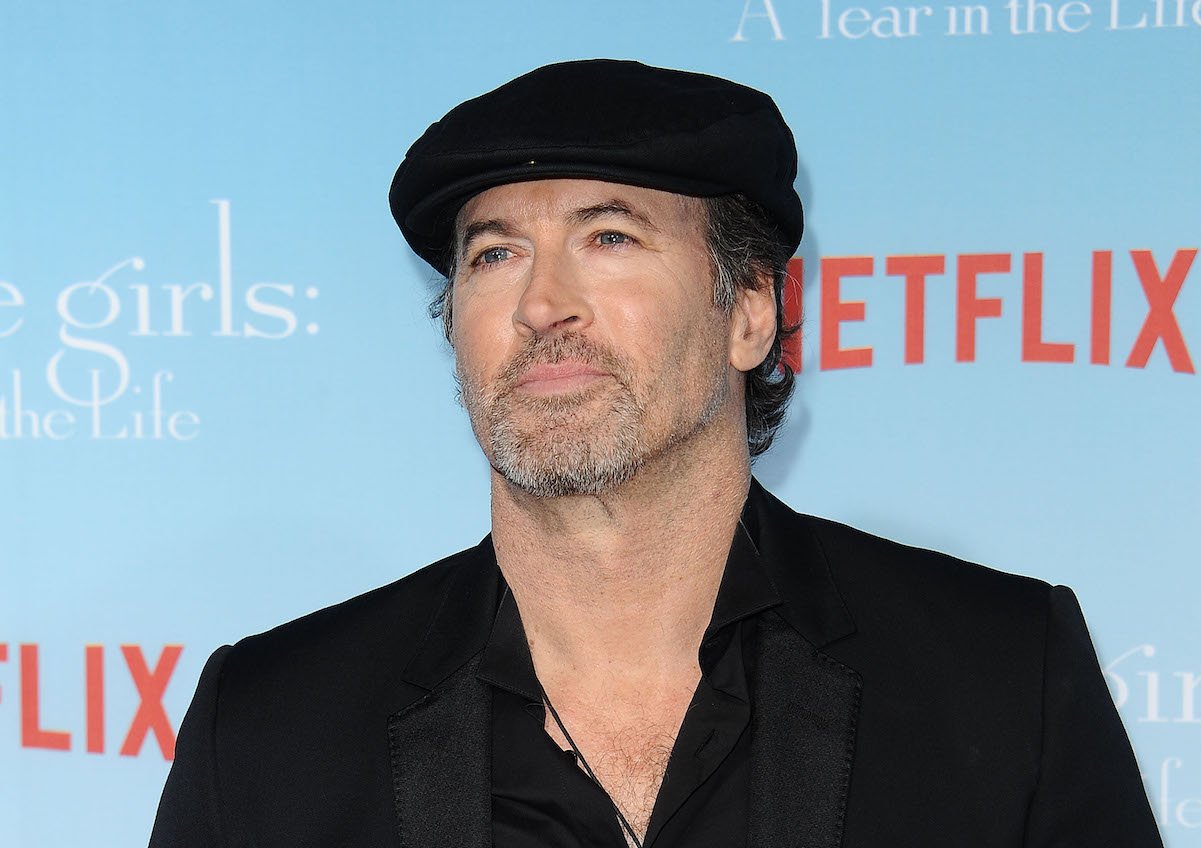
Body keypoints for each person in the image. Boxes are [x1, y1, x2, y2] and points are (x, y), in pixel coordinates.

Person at [149, 59, 1162, 848]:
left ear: (750, 310)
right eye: (495, 253)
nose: (542, 304)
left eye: (611, 238)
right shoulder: (273, 725)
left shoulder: (999, 674)